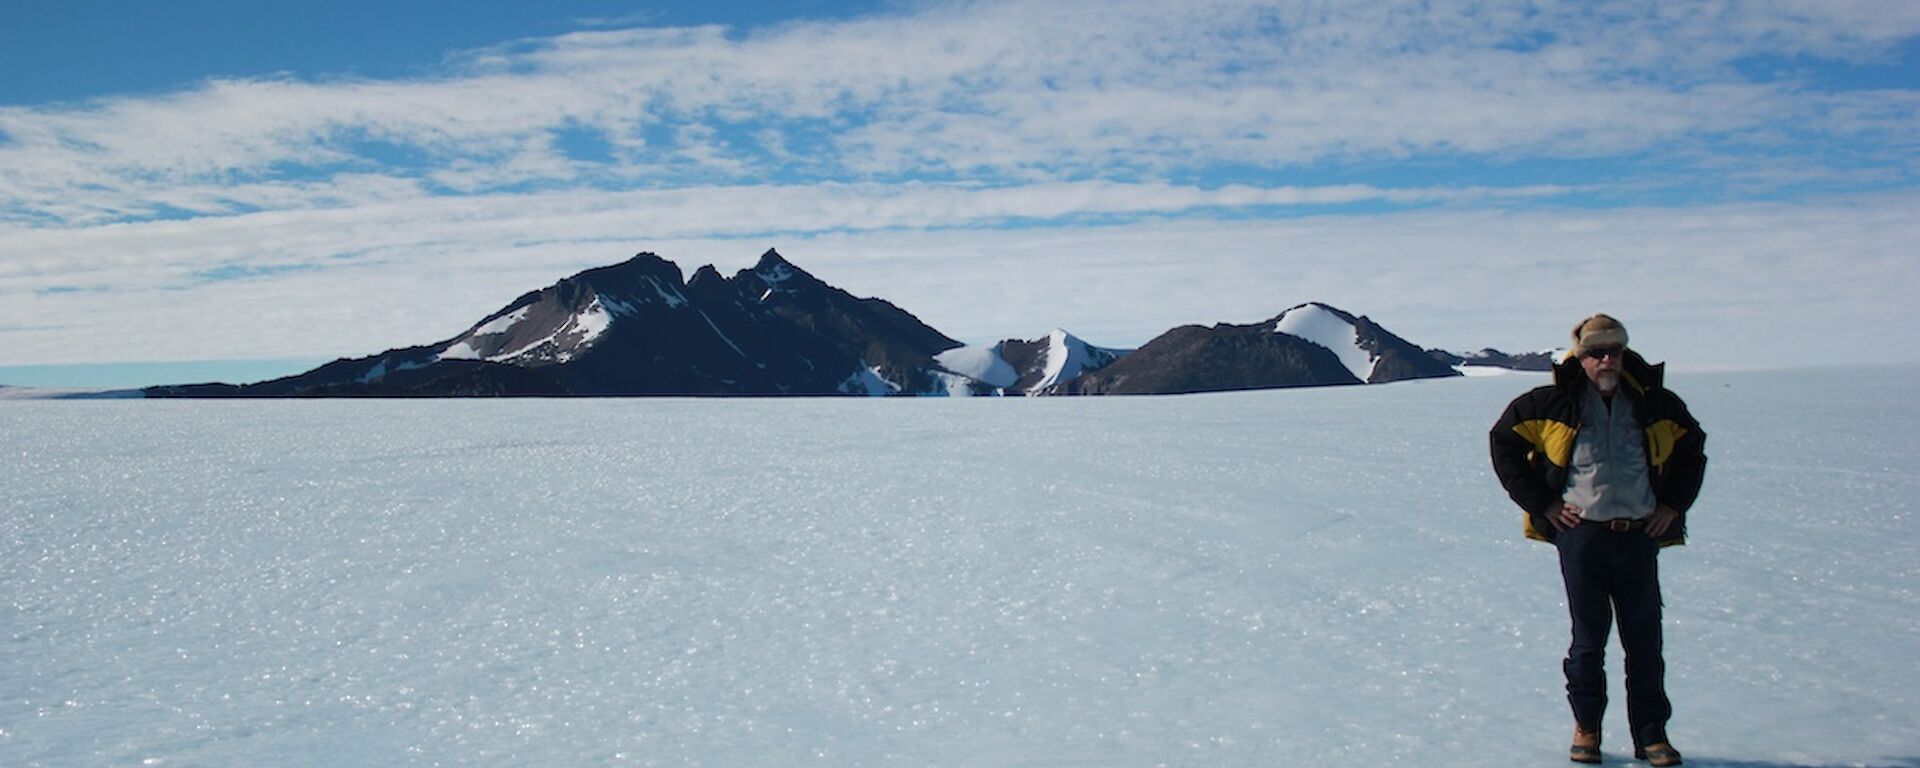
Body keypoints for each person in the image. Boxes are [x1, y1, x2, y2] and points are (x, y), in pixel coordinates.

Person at [1489, 314, 1707, 767]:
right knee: (1588, 642)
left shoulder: (1654, 404)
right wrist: (1543, 504)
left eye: (1614, 350)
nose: (1606, 359)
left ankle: (1652, 736)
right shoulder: (1551, 404)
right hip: (1582, 537)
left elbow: (1692, 448)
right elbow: (1503, 443)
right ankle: (1586, 727)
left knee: (1645, 641)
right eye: (1595, 352)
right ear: (1580, 357)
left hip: (1638, 536)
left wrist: (1672, 506)